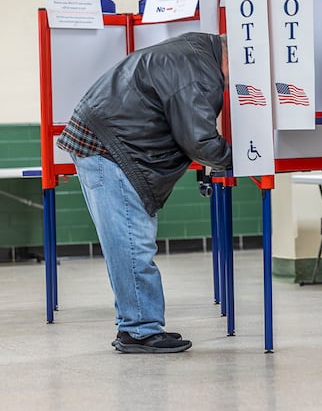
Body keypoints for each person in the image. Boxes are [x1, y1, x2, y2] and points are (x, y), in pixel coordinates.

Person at [56, 31, 232, 354]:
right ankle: (139, 330)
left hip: (103, 138)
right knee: (131, 241)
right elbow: (199, 140)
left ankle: (135, 324)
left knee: (128, 241)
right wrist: (240, 158)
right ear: (232, 55)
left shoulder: (195, 48)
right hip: (111, 147)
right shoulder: (202, 71)